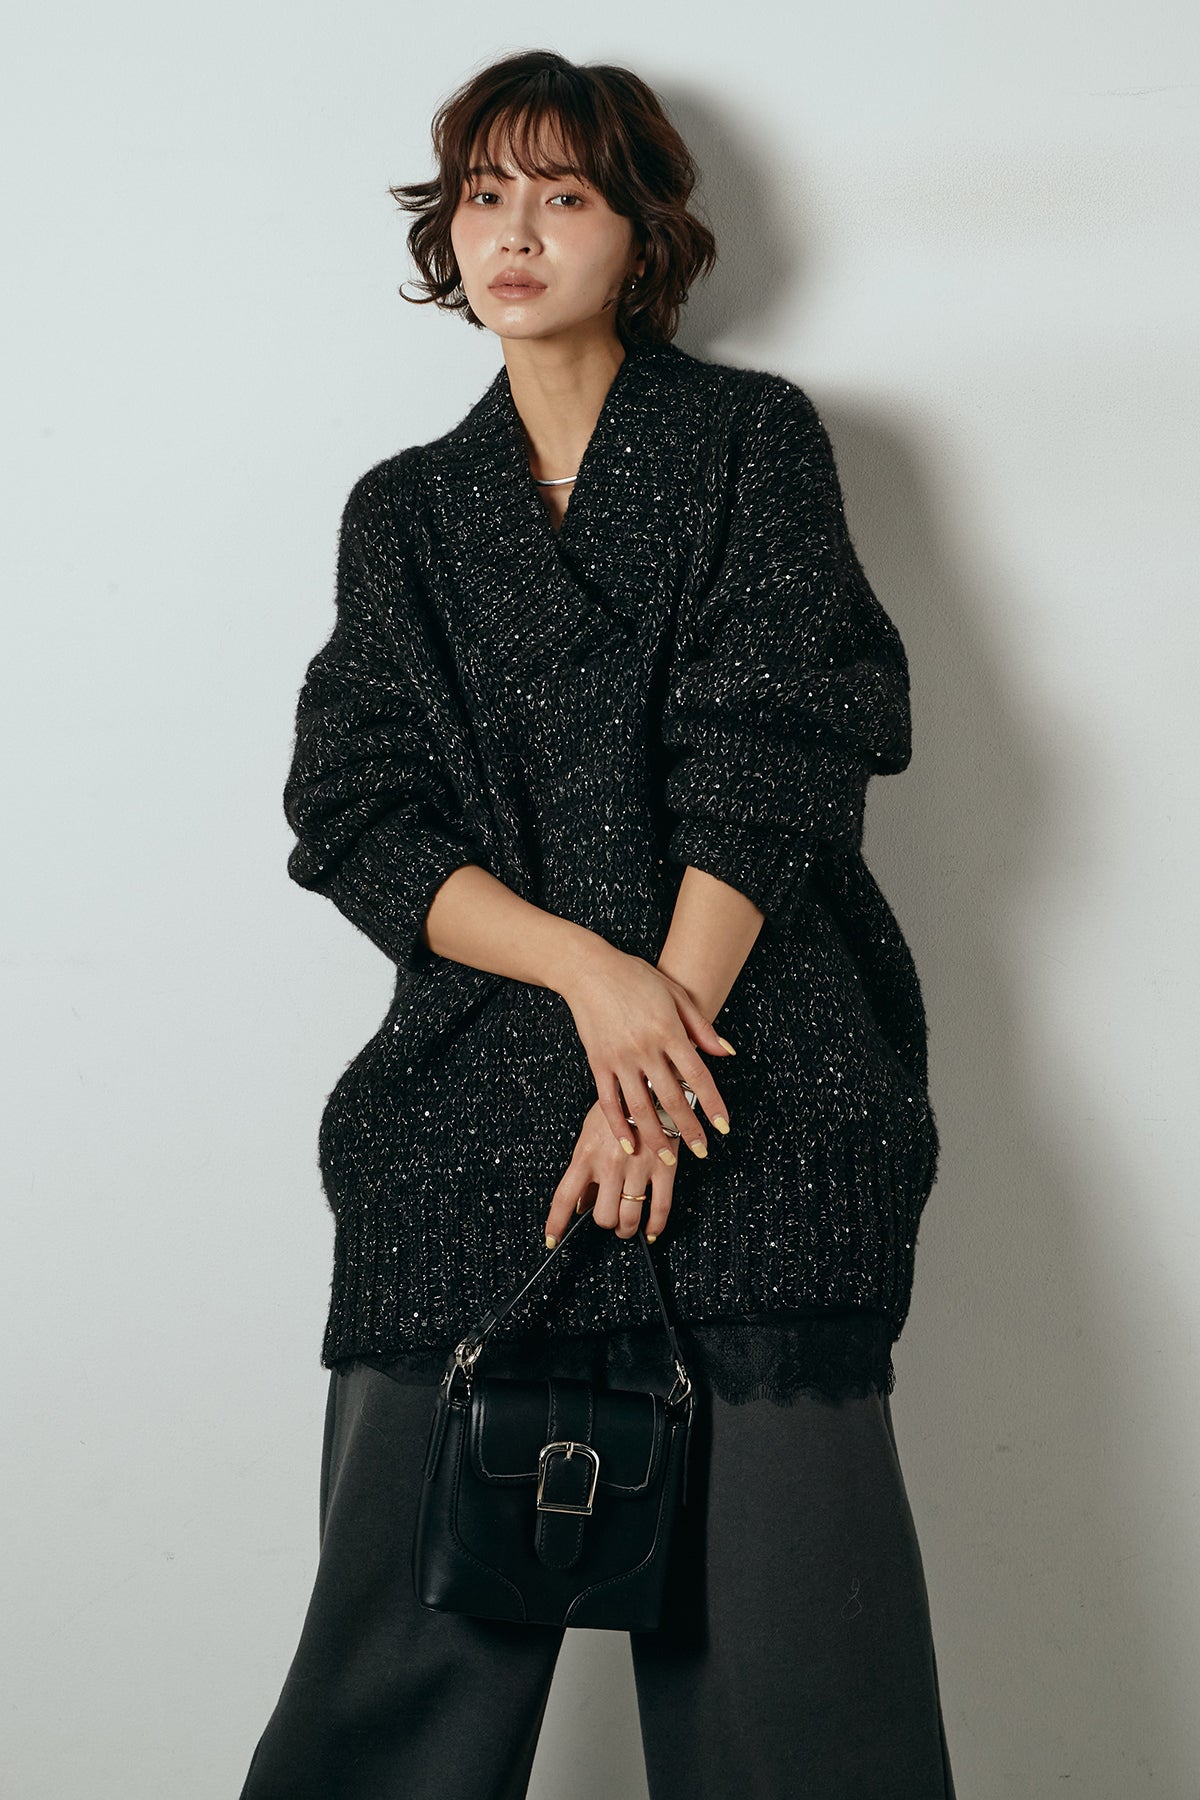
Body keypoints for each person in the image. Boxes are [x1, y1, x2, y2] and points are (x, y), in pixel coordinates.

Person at [237, 47, 956, 1800]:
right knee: (390, 1696)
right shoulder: (406, 513)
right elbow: (356, 813)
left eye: (564, 195)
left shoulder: (750, 444)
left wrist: (654, 1061)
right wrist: (589, 981)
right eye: (484, 195)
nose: (515, 231)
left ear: (642, 236)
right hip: (473, 1112)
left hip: (750, 1089)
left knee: (800, 1701)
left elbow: (786, 743)